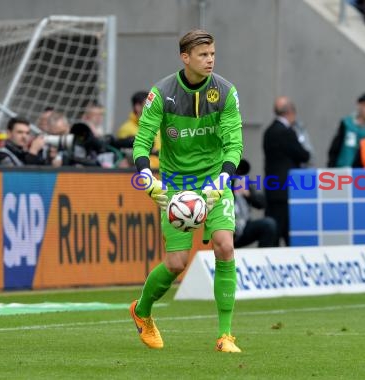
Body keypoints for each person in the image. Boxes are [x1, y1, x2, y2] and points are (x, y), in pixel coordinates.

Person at [130, 29, 243, 353]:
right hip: (176, 183)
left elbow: (234, 143)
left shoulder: (225, 92)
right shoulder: (162, 93)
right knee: (177, 263)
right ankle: (141, 311)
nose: (210, 60)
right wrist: (148, 179)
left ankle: (225, 335)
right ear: (185, 57)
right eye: (203, 55)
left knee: (224, 246)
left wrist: (222, 181)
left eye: (212, 54)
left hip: (213, 178)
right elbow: (142, 140)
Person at [263, 96, 311, 246]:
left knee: (274, 230)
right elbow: (304, 155)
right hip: (286, 190)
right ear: (290, 112)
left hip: (272, 187)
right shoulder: (287, 132)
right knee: (287, 231)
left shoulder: (269, 131)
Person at [232, 159, 278, 248]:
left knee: (269, 224)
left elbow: (262, 203)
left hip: (242, 227)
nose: (237, 174)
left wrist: (248, 195)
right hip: (224, 228)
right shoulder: (218, 183)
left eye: (239, 171)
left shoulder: (244, 183)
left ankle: (264, 258)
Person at [327, 92, 365, 168]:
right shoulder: (347, 124)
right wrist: (331, 167)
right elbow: (335, 148)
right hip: (344, 170)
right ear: (359, 105)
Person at [117, 91, 161, 169]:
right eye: (147, 104)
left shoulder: (159, 125)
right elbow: (128, 158)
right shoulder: (126, 129)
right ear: (137, 106)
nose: (152, 107)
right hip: (142, 174)